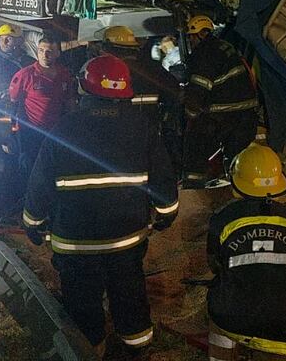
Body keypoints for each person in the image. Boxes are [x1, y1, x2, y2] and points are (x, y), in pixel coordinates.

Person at [22, 55, 179, 358]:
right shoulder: (142, 127)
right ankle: (137, 346)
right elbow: (163, 178)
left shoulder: (63, 128)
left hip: (76, 244)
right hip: (126, 240)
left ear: (83, 87)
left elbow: (40, 183)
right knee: (129, 293)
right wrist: (166, 214)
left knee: (82, 304)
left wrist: (33, 222)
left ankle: (90, 348)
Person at [206, 144, 286, 361]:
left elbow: (215, 264)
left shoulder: (223, 218)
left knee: (219, 305)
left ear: (236, 182)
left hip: (234, 319)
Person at [182, 15, 258, 184]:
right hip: (247, 114)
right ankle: (238, 186)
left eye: (191, 37)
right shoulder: (225, 46)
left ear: (200, 35)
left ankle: (194, 185)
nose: (191, 41)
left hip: (223, 115)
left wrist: (189, 114)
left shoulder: (205, 54)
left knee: (195, 144)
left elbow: (198, 89)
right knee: (237, 159)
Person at [8, 34, 74, 182]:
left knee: (52, 170)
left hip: (55, 132)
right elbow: (12, 103)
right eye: (41, 50)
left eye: (49, 51)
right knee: (29, 170)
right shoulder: (25, 75)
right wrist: (12, 132)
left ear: (57, 53)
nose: (45, 55)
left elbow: (69, 102)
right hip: (31, 133)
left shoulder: (64, 75)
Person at [0, 24, 34, 98]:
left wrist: (12, 89)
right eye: (1, 39)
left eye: (9, 39)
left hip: (19, 100)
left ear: (19, 41)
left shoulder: (29, 62)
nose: (4, 42)